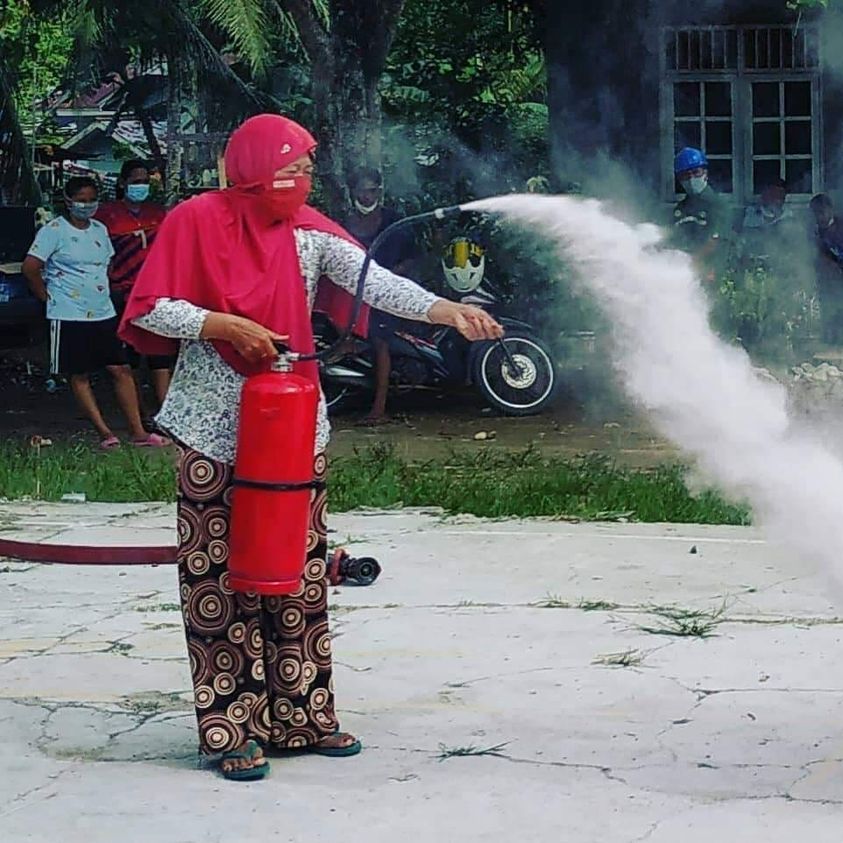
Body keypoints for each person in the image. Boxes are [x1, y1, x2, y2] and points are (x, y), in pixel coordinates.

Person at [119, 114, 503, 781]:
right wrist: (222, 323)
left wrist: (446, 310)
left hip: (293, 430)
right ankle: (228, 727)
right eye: (290, 166)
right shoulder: (196, 220)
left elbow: (372, 281)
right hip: (214, 426)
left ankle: (301, 716)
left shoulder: (306, 232)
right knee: (219, 581)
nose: (302, 178)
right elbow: (150, 306)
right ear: (251, 166)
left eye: (307, 168)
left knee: (297, 575)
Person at [21, 176, 167, 449]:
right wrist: (47, 297)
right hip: (68, 313)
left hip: (102, 310)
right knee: (80, 374)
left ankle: (138, 431)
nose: (86, 206)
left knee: (121, 368)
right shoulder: (54, 230)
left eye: (91, 200)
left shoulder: (100, 229)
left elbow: (108, 264)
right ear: (68, 201)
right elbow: (30, 267)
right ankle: (104, 432)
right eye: (81, 200)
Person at [96, 159, 173, 413]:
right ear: (123, 183)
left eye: (144, 181)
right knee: (129, 355)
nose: (141, 186)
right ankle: (137, 411)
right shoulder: (106, 215)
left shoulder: (158, 214)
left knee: (159, 352)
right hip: (121, 291)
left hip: (154, 291)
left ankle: (164, 411)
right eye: (135, 182)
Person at [344, 167, 416, 425]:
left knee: (379, 341)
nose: (367, 196)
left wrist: (387, 279)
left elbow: (411, 258)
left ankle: (379, 408)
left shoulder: (394, 222)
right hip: (354, 292)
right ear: (353, 192)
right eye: (362, 191)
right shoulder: (347, 223)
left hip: (389, 293)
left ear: (380, 191)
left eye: (372, 190)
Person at [672, 147, 729, 279]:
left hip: (711, 272)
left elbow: (715, 240)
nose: (691, 178)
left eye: (696, 172)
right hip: (684, 273)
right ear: (680, 179)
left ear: (705, 173)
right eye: (686, 175)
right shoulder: (680, 209)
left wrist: (692, 260)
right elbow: (674, 239)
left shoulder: (718, 205)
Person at [810, 193, 843, 344]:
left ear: (830, 210)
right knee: (827, 310)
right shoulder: (812, 231)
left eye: (822, 212)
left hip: (839, 277)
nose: (820, 217)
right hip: (824, 279)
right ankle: (828, 340)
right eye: (816, 213)